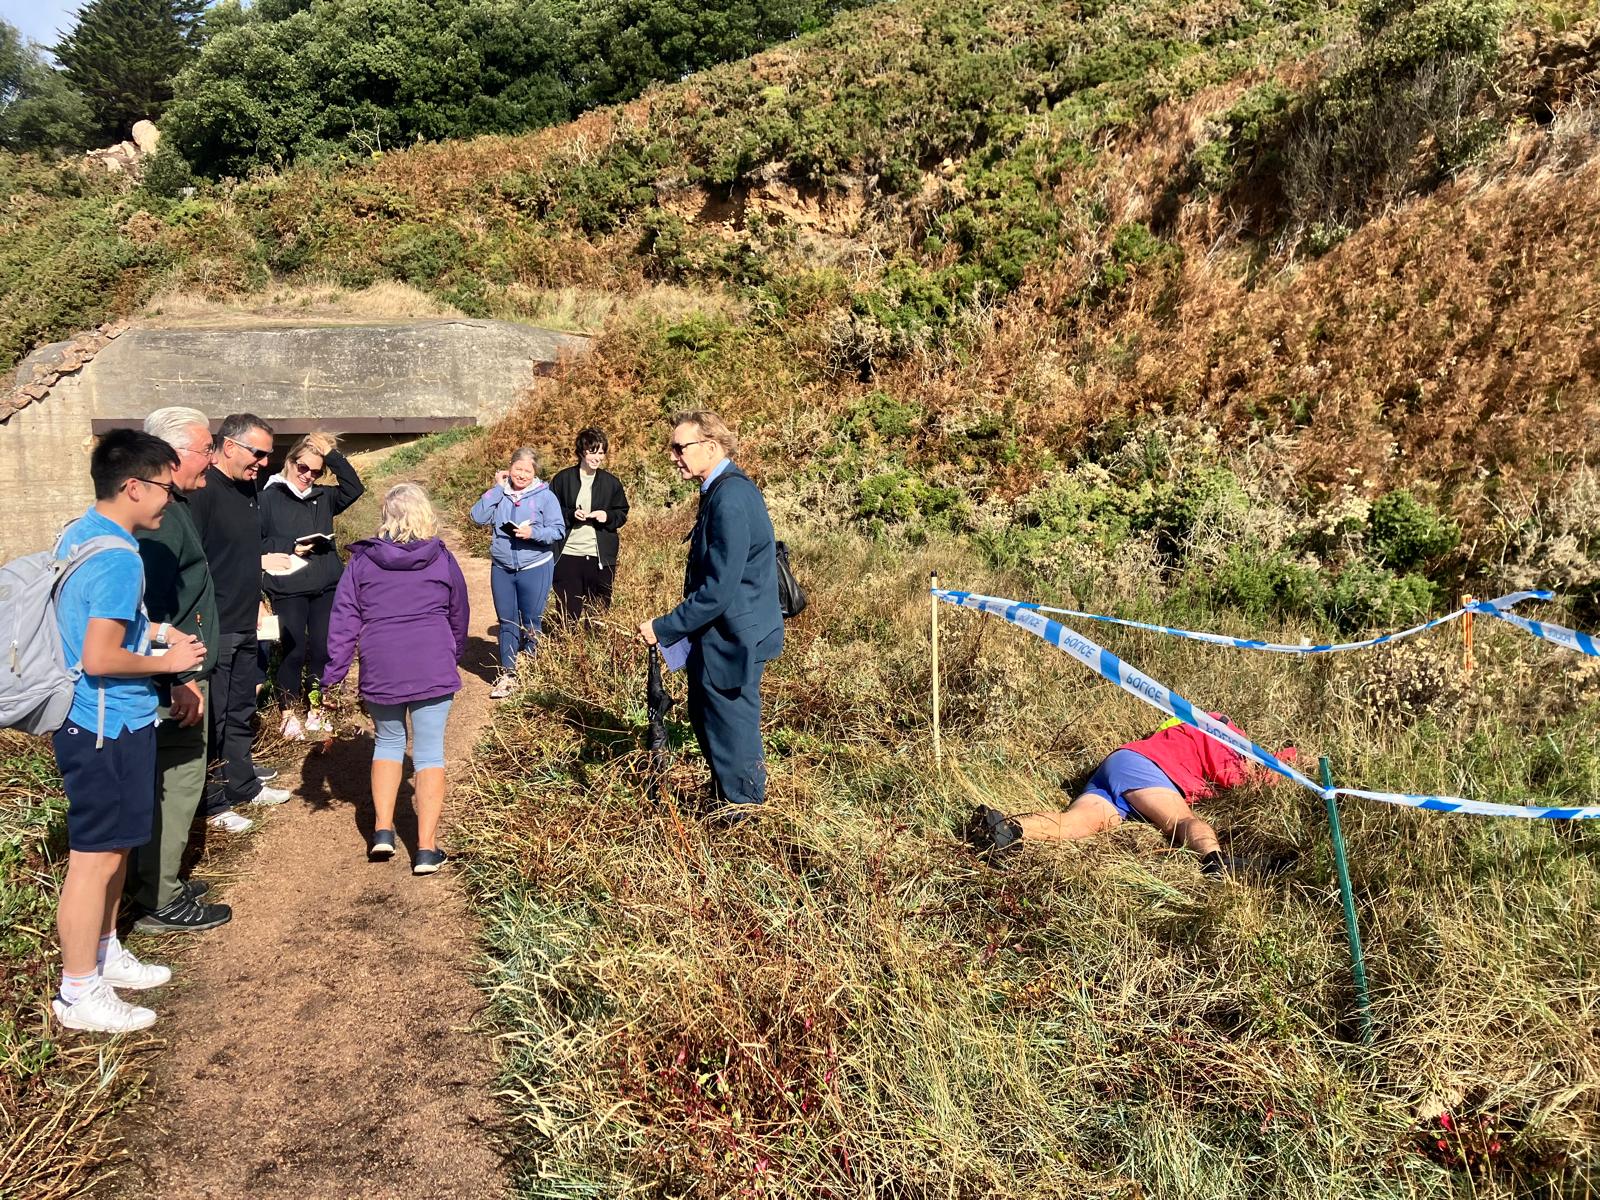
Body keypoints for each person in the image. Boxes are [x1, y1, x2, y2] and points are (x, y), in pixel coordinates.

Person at [50, 429, 207, 1032]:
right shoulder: (119, 558)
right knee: (94, 858)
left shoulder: (81, 532)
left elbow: (94, 622)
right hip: (104, 723)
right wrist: (169, 663)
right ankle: (78, 990)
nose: (172, 498)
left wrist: (157, 632)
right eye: (166, 486)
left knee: (116, 849)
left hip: (101, 718)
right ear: (134, 486)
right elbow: (100, 656)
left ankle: (105, 950)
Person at [638, 411, 783, 818]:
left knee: (732, 732)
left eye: (679, 447)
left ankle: (743, 819)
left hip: (732, 640)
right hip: (722, 634)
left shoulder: (730, 498)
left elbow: (718, 590)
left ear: (711, 447)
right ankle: (729, 807)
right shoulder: (719, 490)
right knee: (711, 723)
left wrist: (664, 627)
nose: (673, 456)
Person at [323, 483, 469, 875]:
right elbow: (459, 612)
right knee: (430, 753)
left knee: (388, 743)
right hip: (431, 660)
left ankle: (383, 831)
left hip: (382, 662)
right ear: (425, 514)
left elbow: (344, 618)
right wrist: (452, 653)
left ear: (387, 516)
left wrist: (333, 673)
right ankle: (426, 849)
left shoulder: (363, 561)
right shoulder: (441, 557)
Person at [126, 407, 232, 933]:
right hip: (175, 677)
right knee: (178, 779)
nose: (212, 458)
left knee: (174, 779)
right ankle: (160, 899)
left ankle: (156, 881)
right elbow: (153, 606)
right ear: (171, 456)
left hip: (180, 669)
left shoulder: (173, 508)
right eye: (205, 449)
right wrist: (179, 678)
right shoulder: (160, 520)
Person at [965, 714, 1297, 874]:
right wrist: (1289, 765)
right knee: (1180, 820)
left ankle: (1007, 828)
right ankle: (1216, 860)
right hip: (1145, 768)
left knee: (1078, 822)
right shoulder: (1225, 739)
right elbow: (1242, 779)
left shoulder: (1185, 722)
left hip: (1121, 763)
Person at [187, 412, 295, 833]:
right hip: (215, 626)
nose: (264, 463)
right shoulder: (202, 492)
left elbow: (240, 554)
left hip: (246, 619)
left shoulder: (247, 487)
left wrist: (259, 599)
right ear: (228, 446)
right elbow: (195, 563)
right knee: (213, 720)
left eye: (267, 455)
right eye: (258, 454)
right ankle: (212, 803)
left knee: (239, 708)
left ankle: (243, 784)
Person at [258, 431, 365, 740]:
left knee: (322, 649)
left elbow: (354, 488)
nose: (308, 476)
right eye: (303, 467)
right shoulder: (266, 498)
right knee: (292, 652)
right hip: (287, 587)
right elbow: (255, 542)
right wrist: (290, 546)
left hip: (325, 586)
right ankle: (288, 712)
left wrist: (330, 454)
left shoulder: (324, 497)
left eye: (316, 472)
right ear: (290, 461)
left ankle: (317, 707)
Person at [470, 447, 564, 699]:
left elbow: (558, 530)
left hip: (535, 566)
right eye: (517, 469)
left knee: (532, 621)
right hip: (502, 567)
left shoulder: (545, 496)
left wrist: (533, 533)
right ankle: (509, 675)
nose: (521, 475)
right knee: (507, 621)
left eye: (527, 471)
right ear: (509, 468)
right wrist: (497, 488)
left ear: (535, 473)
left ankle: (531, 671)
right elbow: (477, 516)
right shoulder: (500, 494)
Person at [549, 427, 630, 621]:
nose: (598, 457)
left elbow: (622, 513)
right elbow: (549, 511)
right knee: (567, 615)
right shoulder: (562, 479)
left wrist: (606, 516)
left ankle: (593, 642)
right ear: (581, 451)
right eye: (593, 452)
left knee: (598, 615)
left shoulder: (611, 483)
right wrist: (571, 514)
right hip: (568, 554)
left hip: (600, 558)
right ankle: (566, 641)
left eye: (601, 452)